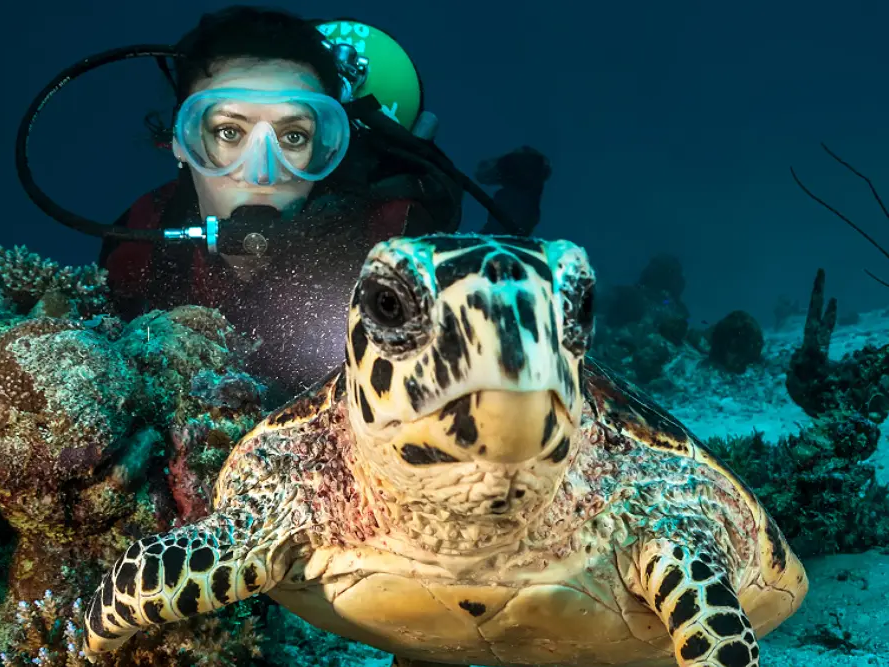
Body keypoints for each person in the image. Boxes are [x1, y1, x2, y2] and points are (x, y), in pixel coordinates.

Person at [98, 7, 550, 402]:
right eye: (229, 132)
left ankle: (523, 179)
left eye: (293, 137)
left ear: (326, 150)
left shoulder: (392, 236)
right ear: (182, 141)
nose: (261, 173)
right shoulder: (138, 240)